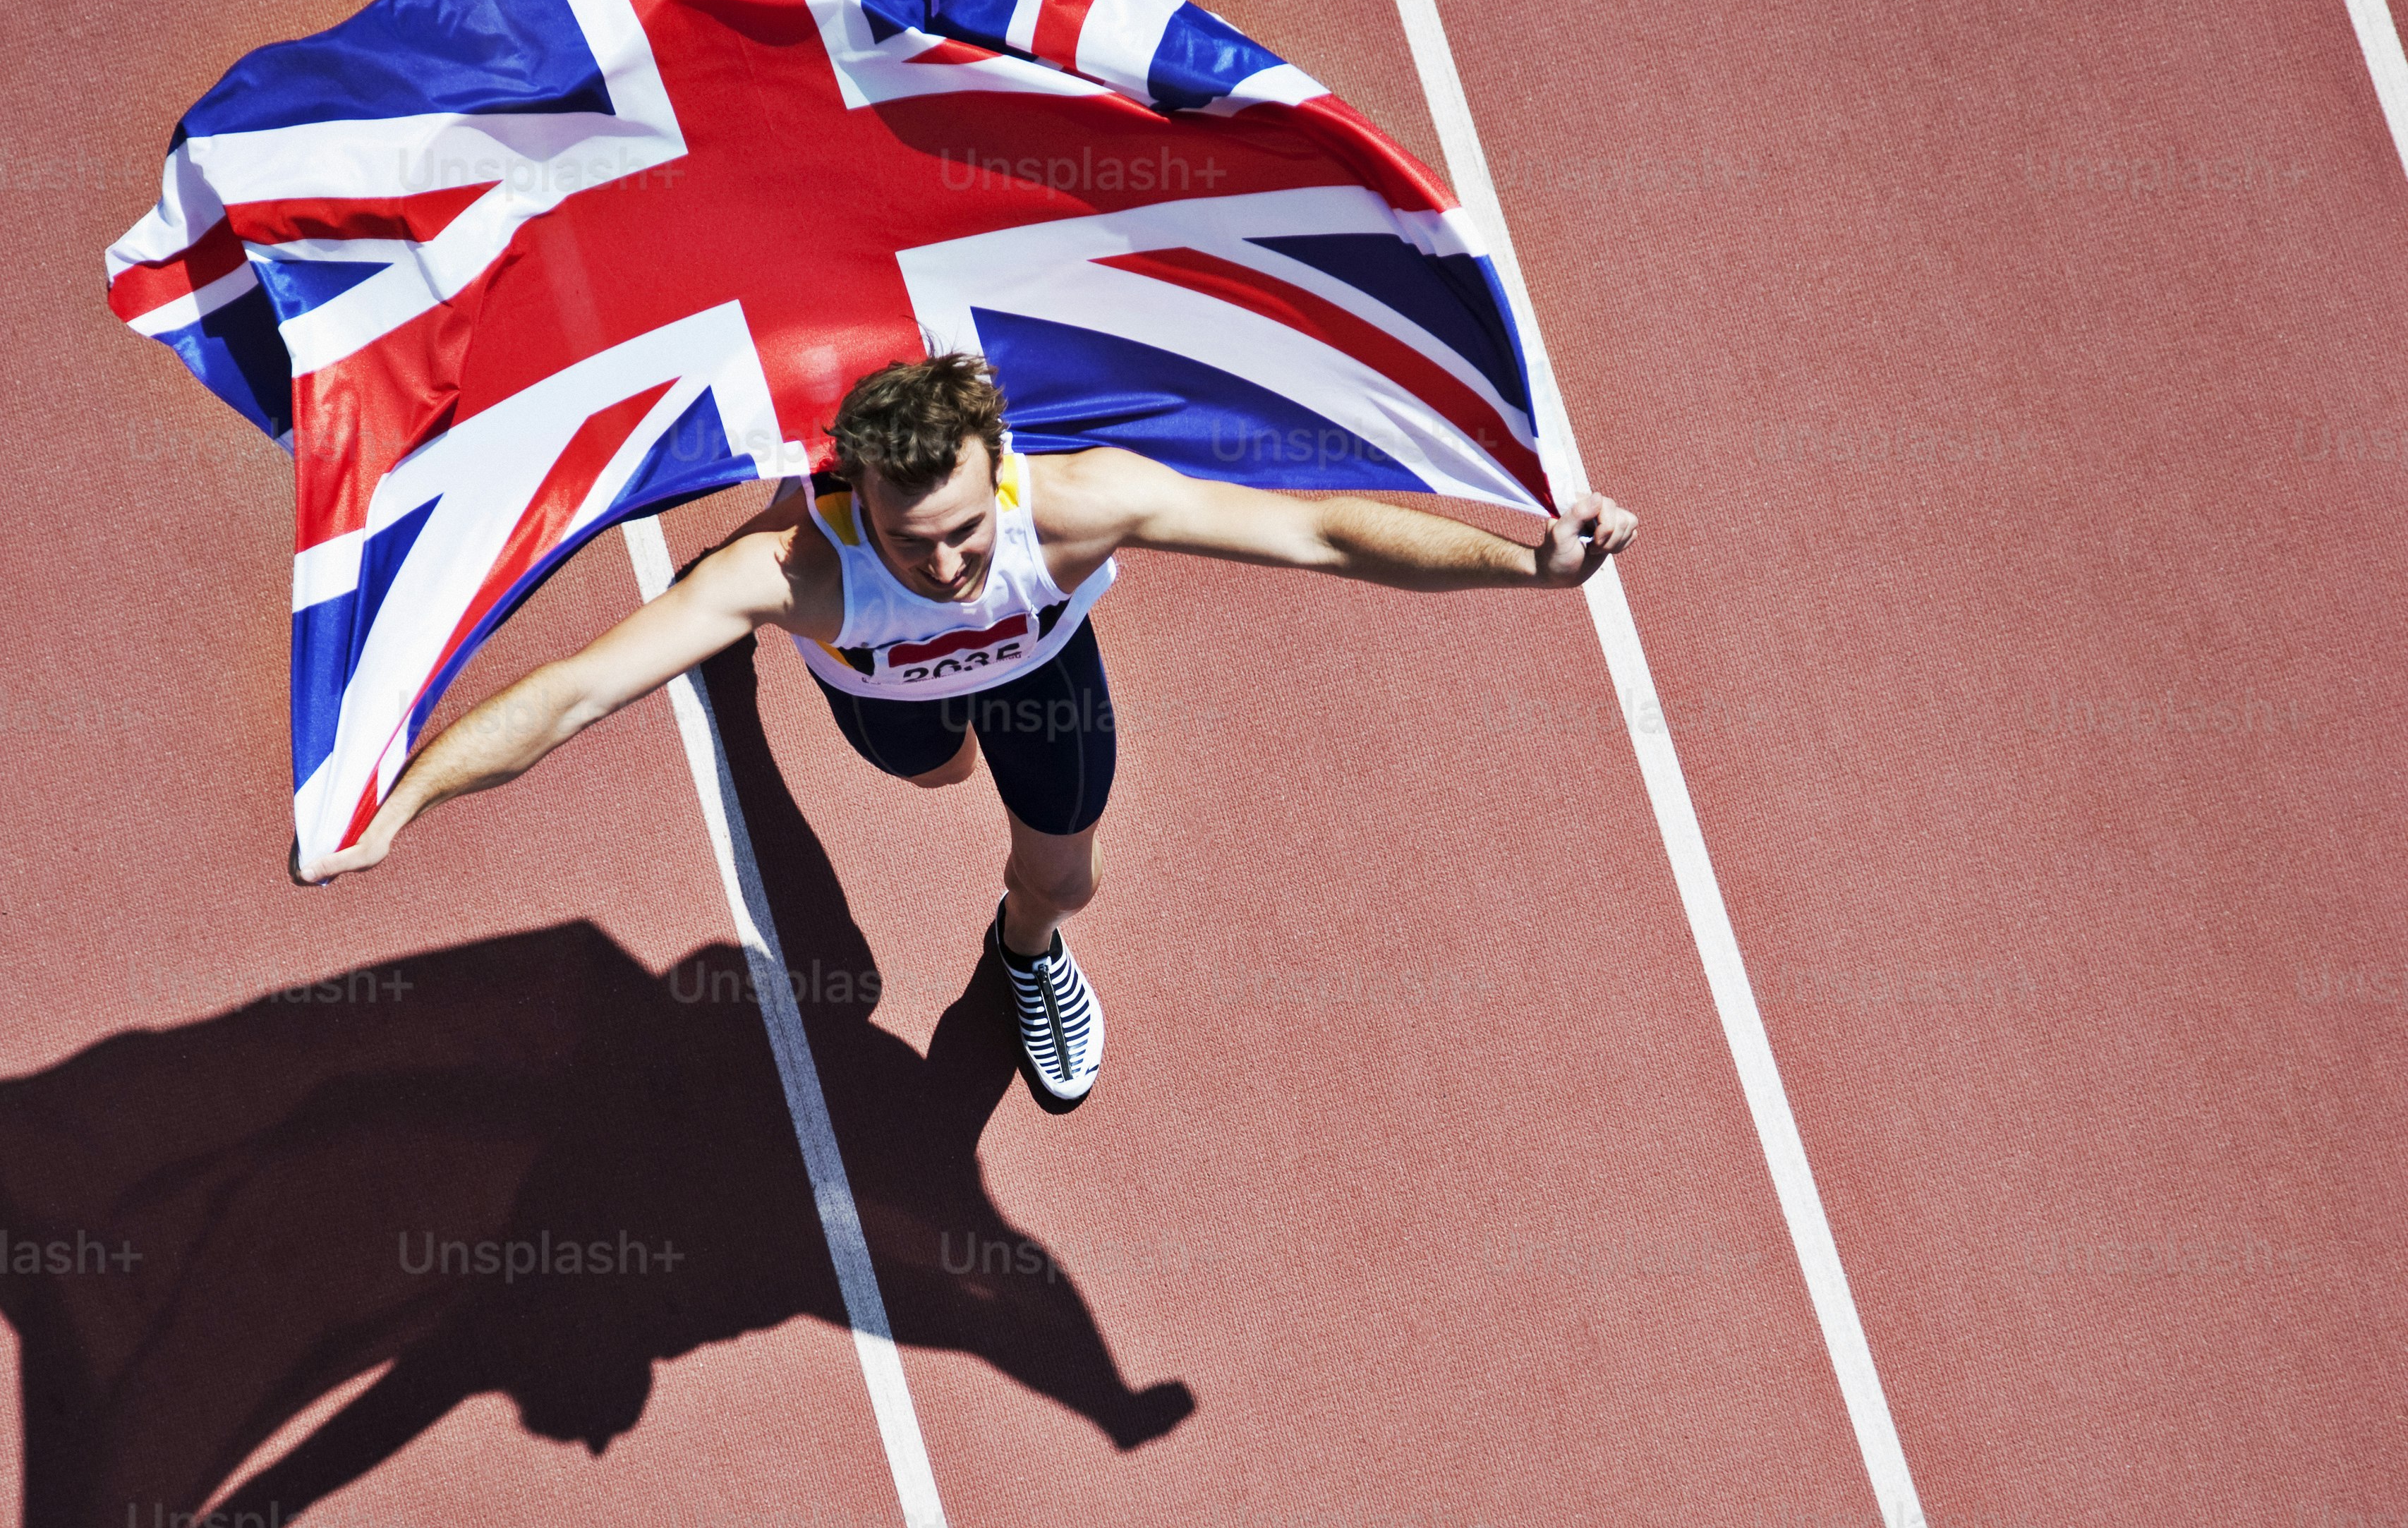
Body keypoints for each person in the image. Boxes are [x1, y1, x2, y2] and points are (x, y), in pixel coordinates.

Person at [296, 353, 1638, 1112]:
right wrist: (397, 808)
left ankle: (1024, 954)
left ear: (998, 465)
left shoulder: (1077, 503)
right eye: (908, 536)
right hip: (887, 692)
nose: (942, 565)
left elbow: (1319, 531)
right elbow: (573, 693)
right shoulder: (789, 574)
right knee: (933, 777)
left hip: (1044, 673)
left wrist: (1523, 568)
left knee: (1065, 876)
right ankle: (749, 704)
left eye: (964, 530)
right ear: (846, 495)